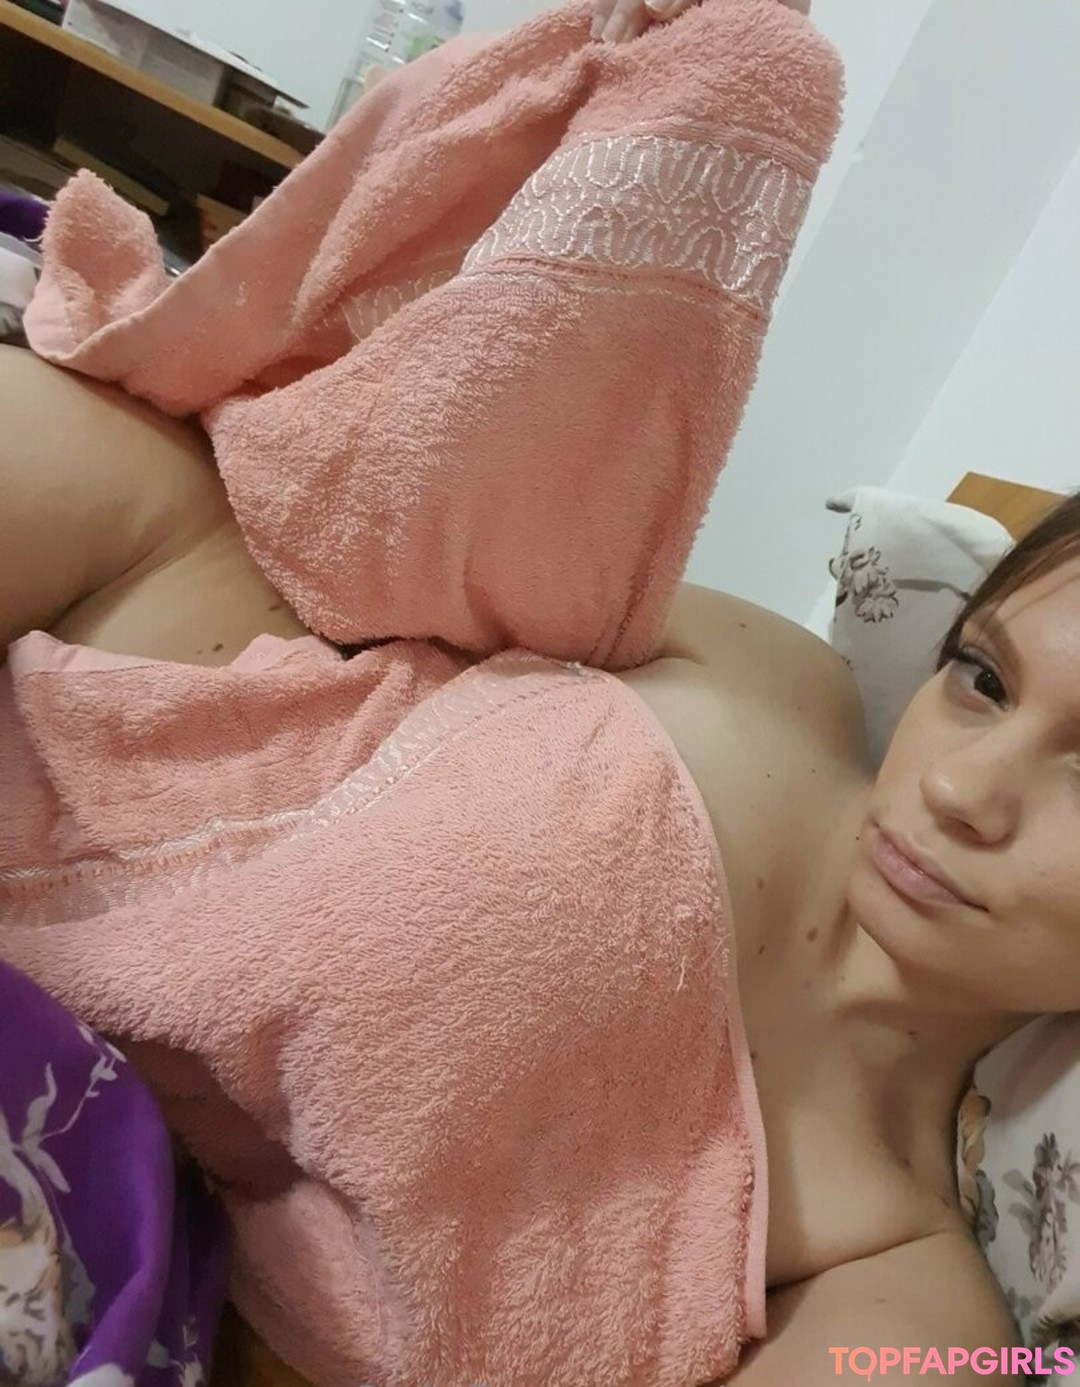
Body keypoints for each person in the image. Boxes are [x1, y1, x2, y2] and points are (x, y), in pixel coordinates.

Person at [1, 2, 1072, 1383]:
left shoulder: (899, 1285)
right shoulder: (790, 686)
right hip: (108, 671)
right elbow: (358, 575)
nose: (962, 789)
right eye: (982, 678)